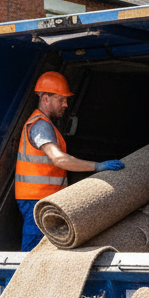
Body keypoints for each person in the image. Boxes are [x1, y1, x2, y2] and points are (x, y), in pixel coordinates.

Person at [16, 71, 126, 251]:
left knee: (43, 251)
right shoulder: (40, 125)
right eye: (61, 99)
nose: (65, 104)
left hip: (42, 198)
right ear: (45, 98)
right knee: (32, 254)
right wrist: (97, 166)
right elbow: (58, 158)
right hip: (36, 200)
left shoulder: (45, 124)